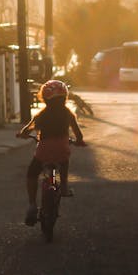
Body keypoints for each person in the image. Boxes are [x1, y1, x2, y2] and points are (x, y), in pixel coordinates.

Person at [16, 78, 86, 226]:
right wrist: (79, 141)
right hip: (62, 148)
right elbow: (78, 134)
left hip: (44, 151)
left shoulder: (41, 115)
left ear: (45, 97)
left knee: (32, 173)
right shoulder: (68, 114)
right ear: (64, 97)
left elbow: (27, 129)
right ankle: (65, 187)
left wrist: (22, 134)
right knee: (64, 160)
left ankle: (32, 204)